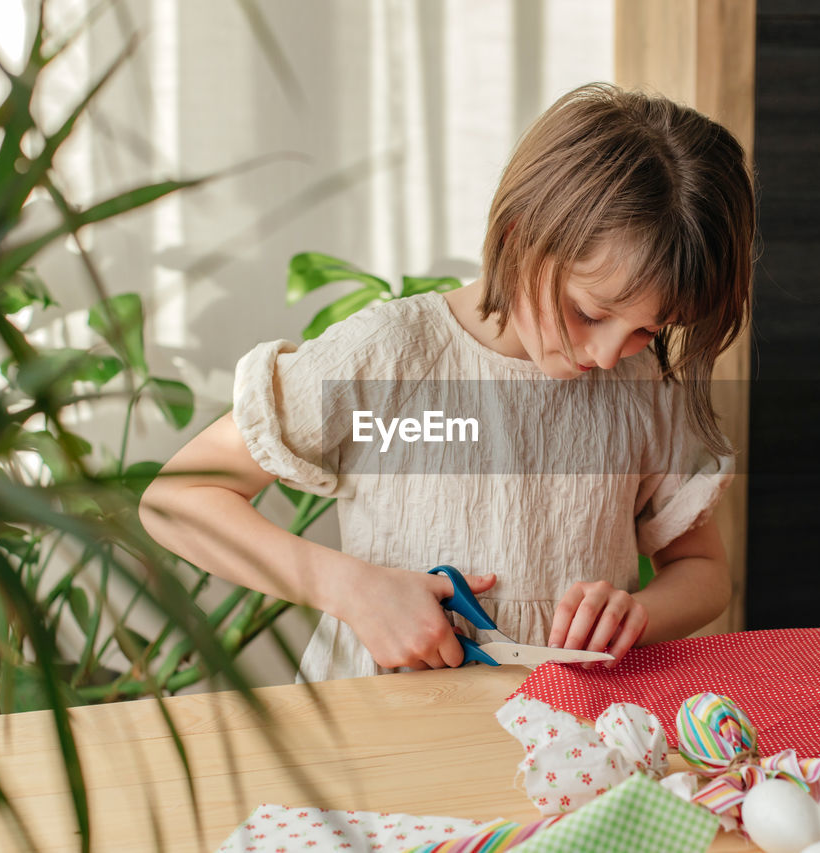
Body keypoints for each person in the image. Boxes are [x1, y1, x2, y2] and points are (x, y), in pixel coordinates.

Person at [139, 82, 755, 682]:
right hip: (385, 730)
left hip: (569, 736)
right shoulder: (389, 355)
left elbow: (701, 570)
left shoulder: (640, 385)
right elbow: (178, 502)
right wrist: (349, 588)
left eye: (648, 329)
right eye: (588, 313)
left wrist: (639, 614)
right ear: (520, 235)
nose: (605, 352)